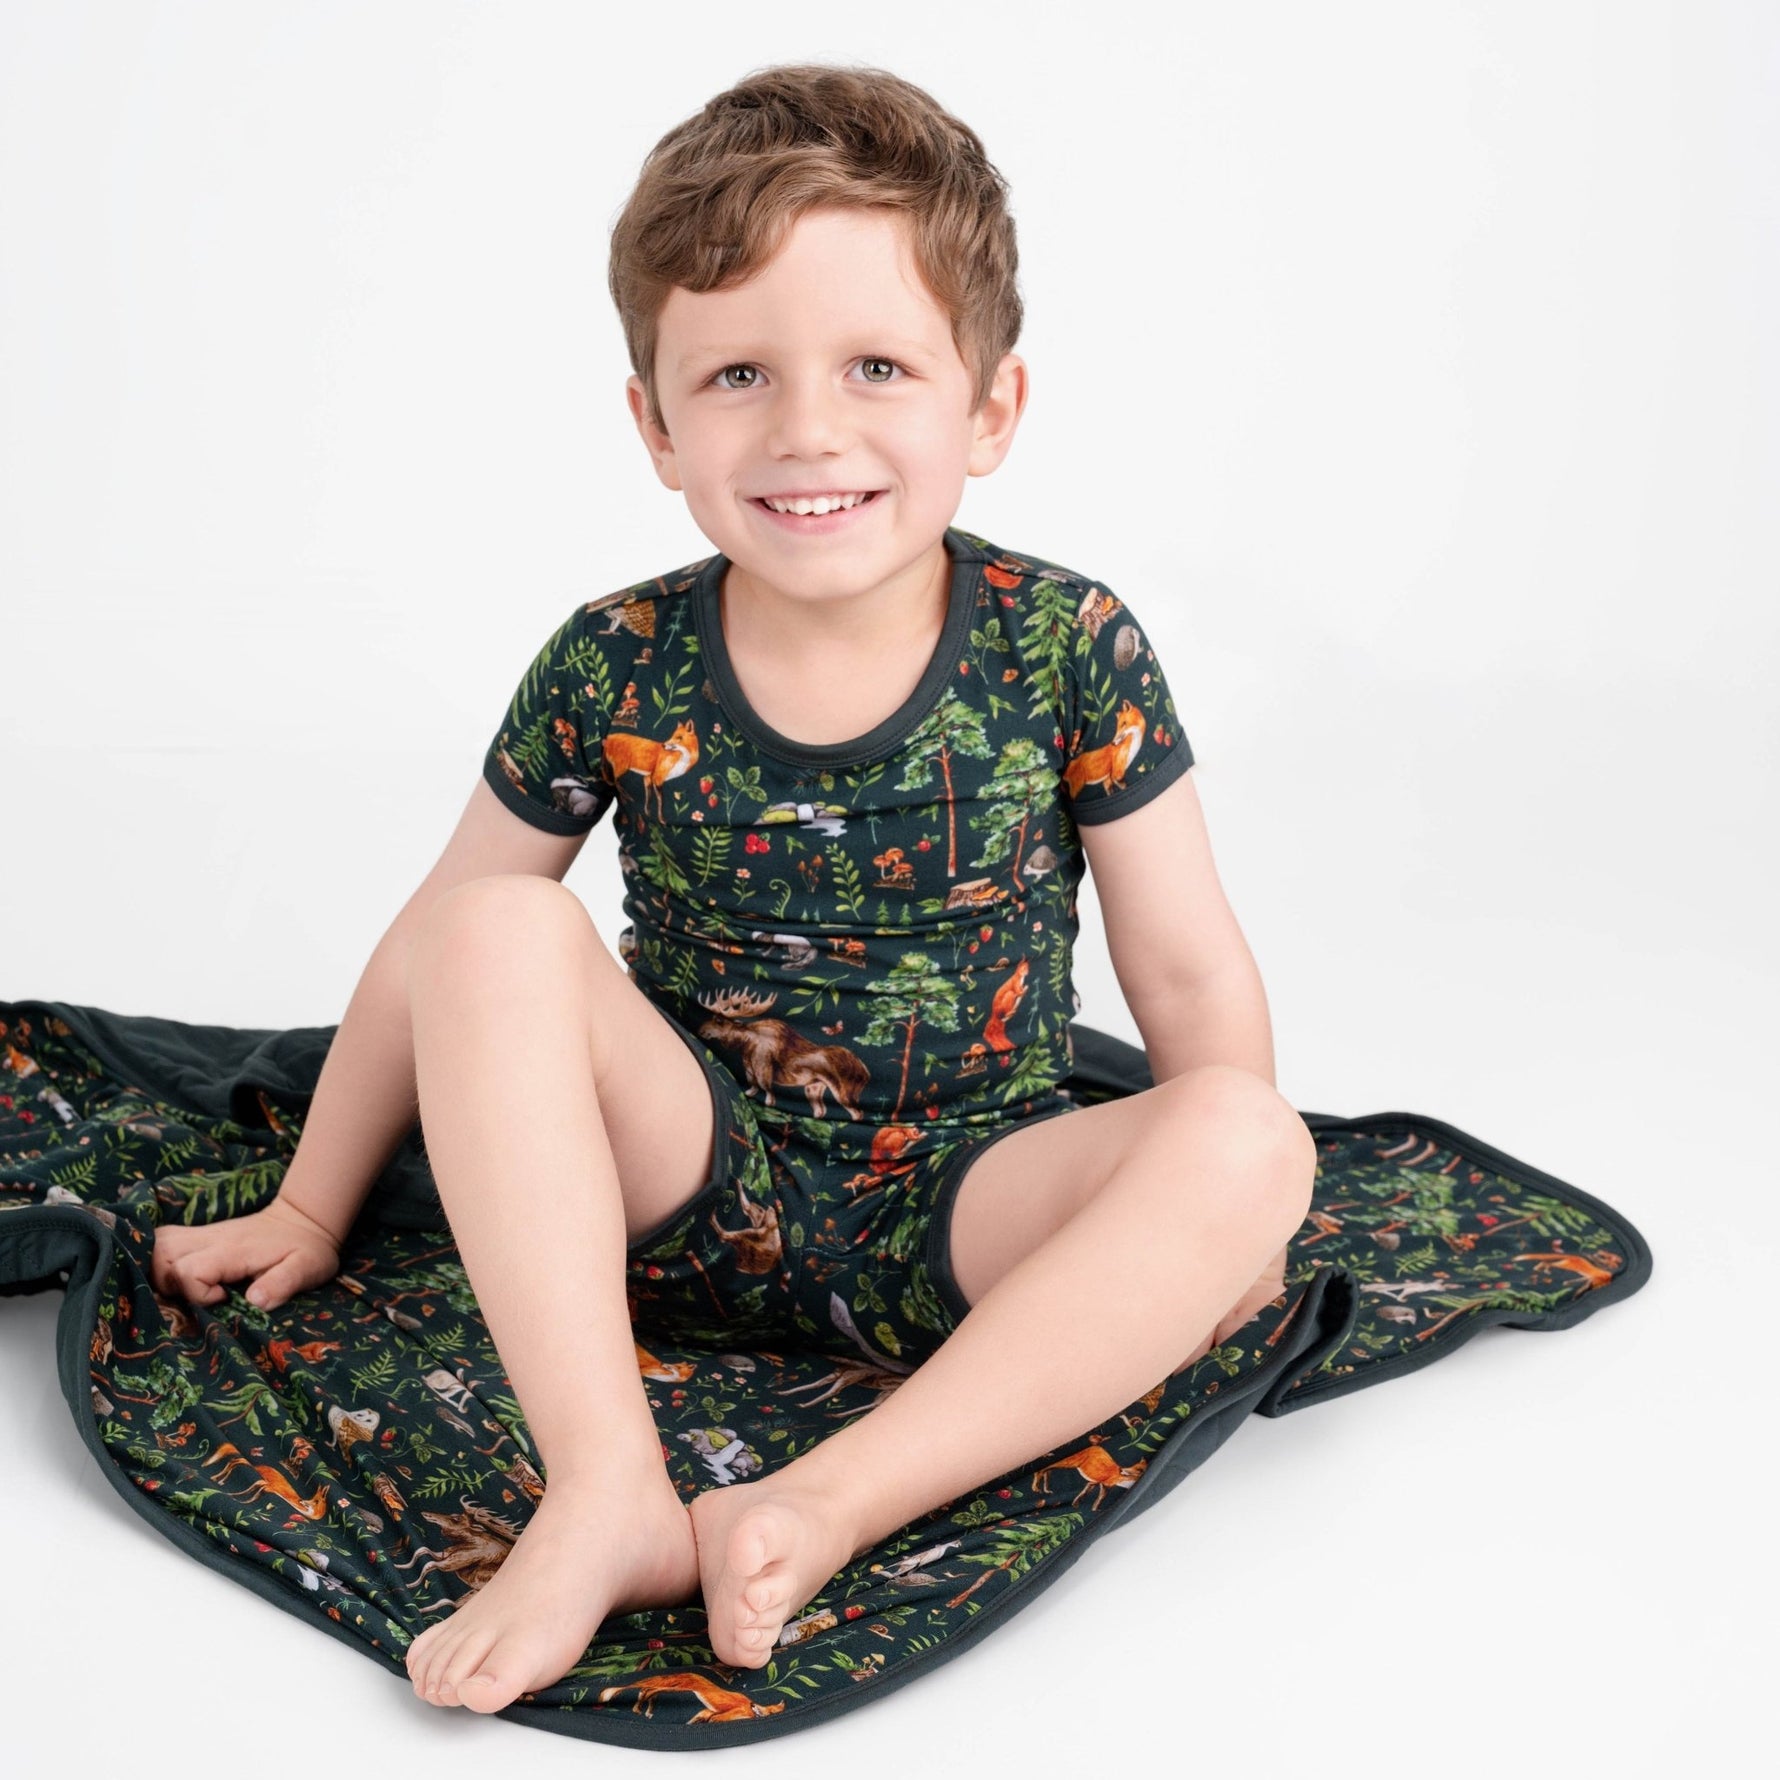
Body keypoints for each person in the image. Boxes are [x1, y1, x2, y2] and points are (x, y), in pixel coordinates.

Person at [149, 62, 1317, 1714]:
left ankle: (824, 1502)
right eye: (741, 375)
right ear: (657, 423)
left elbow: (1190, 976)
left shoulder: (1068, 646)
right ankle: (608, 1479)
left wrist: (1218, 1234)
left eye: (880, 367)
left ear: (991, 407)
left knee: (1255, 1138)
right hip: (676, 1182)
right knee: (495, 917)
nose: (808, 430)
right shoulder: (615, 659)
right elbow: (443, 954)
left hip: (970, 1213)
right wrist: (315, 1204)